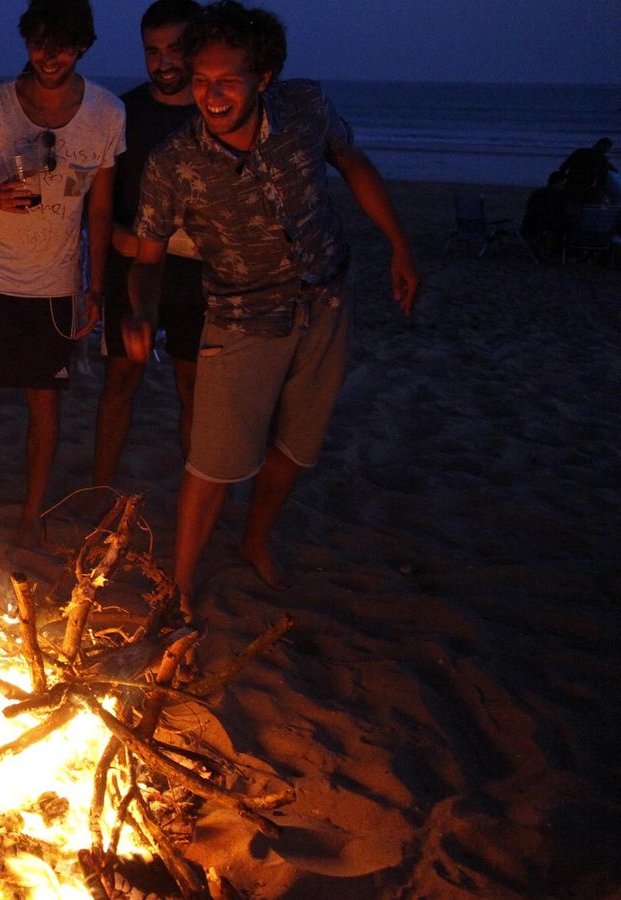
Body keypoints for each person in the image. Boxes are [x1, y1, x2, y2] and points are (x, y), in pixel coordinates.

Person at [124, 0, 421, 604]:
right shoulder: (173, 164)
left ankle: (254, 540)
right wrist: (141, 311)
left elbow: (353, 163)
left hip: (327, 299)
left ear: (264, 78)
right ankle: (179, 589)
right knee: (210, 464)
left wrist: (399, 246)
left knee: (296, 446)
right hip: (242, 319)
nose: (211, 95)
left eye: (228, 80)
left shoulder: (307, 107)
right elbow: (147, 259)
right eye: (202, 81)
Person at [0, 0, 124, 546]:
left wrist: (95, 287)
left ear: (84, 46)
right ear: (26, 42)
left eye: (63, 43)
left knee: (44, 400)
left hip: (54, 284)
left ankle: (30, 511)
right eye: (40, 42)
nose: (50, 55)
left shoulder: (107, 112)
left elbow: (100, 209)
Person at [91, 0, 204, 488]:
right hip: (133, 266)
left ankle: (196, 498)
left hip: (202, 277)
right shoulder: (124, 113)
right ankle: (99, 487)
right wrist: (116, 240)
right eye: (152, 51)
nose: (164, 62)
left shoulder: (217, 110)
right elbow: (97, 202)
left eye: (175, 49)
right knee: (120, 381)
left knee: (193, 387)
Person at [556, 137, 615, 204]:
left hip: (580, 185)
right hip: (576, 185)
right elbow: (564, 166)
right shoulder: (582, 153)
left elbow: (564, 166)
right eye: (604, 147)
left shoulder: (602, 160)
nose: (604, 150)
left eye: (606, 148)